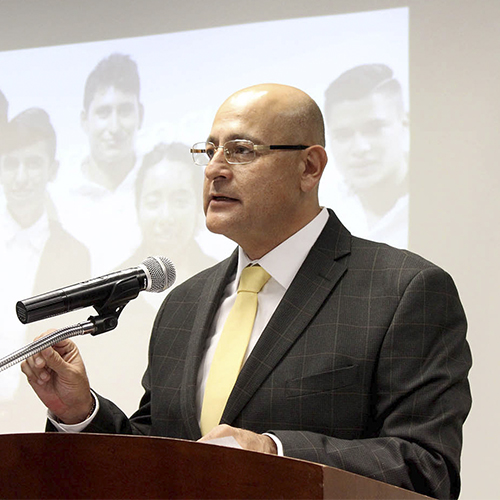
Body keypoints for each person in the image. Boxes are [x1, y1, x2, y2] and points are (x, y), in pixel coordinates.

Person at [21, 84, 471, 499]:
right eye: (209, 150)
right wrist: (80, 411)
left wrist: (274, 452)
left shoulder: (403, 291)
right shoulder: (184, 303)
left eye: (240, 151)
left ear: (309, 167)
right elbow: (159, 459)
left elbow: (427, 469)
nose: (215, 169)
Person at [0, 107, 90, 401]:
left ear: (53, 169)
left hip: (38, 415)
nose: (21, 177)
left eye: (33, 163)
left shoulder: (75, 253)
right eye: (12, 164)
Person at [53, 52, 144, 274]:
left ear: (140, 115)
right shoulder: (58, 198)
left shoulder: (157, 187)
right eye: (103, 112)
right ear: (85, 120)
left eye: (124, 111)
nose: (114, 127)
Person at [323, 64, 409, 248]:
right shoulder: (320, 206)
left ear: (405, 124)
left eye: (374, 128)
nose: (360, 148)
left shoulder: (446, 200)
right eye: (343, 134)